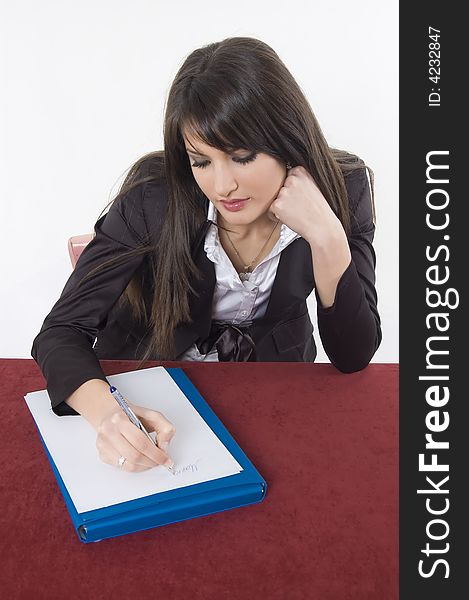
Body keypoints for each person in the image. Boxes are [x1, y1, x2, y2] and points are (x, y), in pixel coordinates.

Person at [31, 36, 381, 473]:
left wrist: (328, 237)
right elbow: (60, 330)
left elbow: (354, 356)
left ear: (288, 139)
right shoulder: (153, 197)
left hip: (271, 385)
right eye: (201, 161)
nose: (222, 186)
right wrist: (109, 416)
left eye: (241, 156)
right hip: (153, 379)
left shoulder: (344, 189)